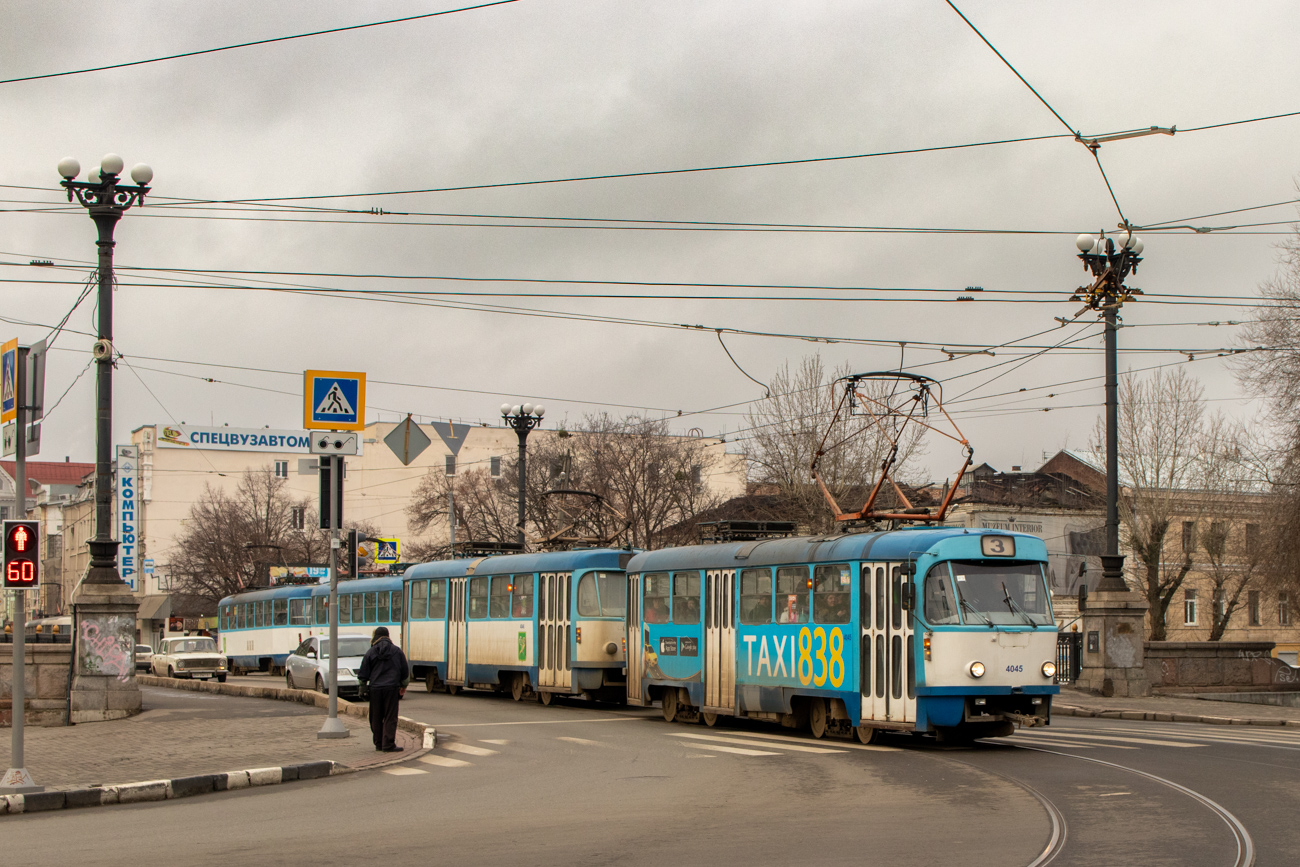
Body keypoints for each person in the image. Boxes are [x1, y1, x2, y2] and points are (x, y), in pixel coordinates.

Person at [357, 626, 410, 752]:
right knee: (390, 717)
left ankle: (379, 743)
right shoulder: (397, 651)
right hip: (392, 688)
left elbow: (363, 673)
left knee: (375, 717)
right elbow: (405, 672)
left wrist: (362, 688)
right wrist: (403, 686)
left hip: (375, 689)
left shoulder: (370, 652)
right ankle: (388, 744)